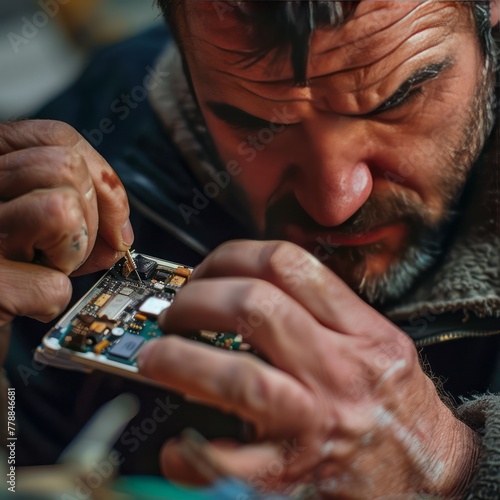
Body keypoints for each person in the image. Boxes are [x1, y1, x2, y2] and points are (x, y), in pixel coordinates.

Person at [2, 0, 499, 497]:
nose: (333, 204)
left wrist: (460, 469)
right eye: (254, 122)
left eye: (395, 100)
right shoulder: (107, 123)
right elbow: (16, 457)